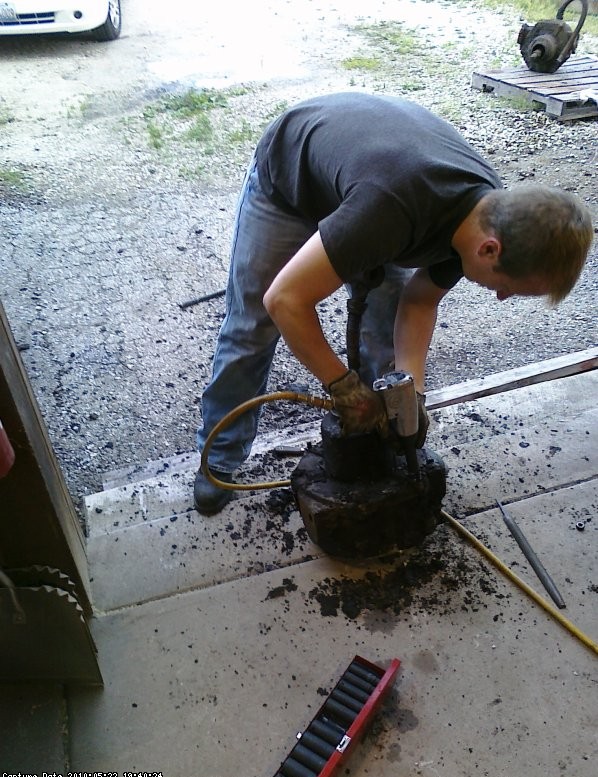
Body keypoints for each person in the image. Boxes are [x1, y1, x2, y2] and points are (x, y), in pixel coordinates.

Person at [194, 92, 593, 515]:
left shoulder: (487, 218)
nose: (500, 296)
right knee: (252, 327)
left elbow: (419, 302)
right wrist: (342, 386)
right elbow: (285, 300)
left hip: (369, 193)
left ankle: (372, 446)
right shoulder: (395, 208)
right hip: (294, 180)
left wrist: (412, 394)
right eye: (509, 286)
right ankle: (218, 458)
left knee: (382, 334)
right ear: (490, 251)